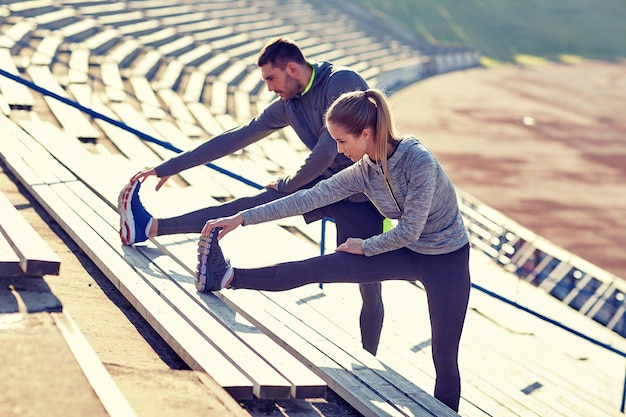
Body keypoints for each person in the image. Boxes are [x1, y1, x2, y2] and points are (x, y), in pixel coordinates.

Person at [195, 89, 471, 412]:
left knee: (444, 356)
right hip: (405, 250)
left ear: (366, 134)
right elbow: (310, 197)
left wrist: (364, 246)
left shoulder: (418, 161)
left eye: (342, 142)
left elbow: (409, 230)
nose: (339, 150)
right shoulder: (366, 169)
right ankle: (226, 277)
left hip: (446, 261)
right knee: (320, 266)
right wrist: (242, 218)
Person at [118, 37, 386, 355]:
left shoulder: (341, 81)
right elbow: (239, 136)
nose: (270, 88)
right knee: (248, 205)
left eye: (271, 78)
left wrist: (287, 184)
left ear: (291, 68)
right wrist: (171, 166)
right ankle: (148, 227)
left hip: (363, 194)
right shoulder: (291, 104)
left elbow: (326, 152)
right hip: (322, 186)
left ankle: (369, 362)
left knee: (368, 286)